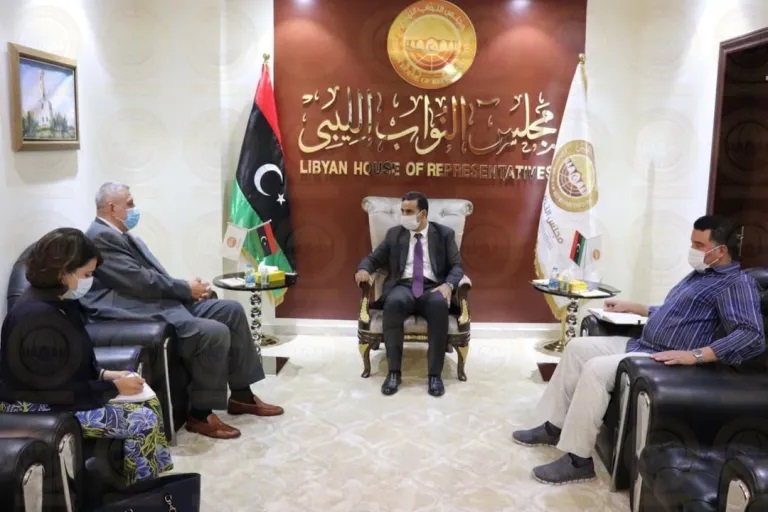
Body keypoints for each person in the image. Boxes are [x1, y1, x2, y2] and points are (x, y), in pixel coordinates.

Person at [512, 215, 765, 485]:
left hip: (663, 358)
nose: (692, 250)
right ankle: (554, 426)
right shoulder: (700, 276)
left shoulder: (736, 284)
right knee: (576, 348)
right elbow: (679, 315)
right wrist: (639, 308)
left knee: (596, 369)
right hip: (643, 344)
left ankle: (578, 461)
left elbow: (751, 335)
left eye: (699, 245)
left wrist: (696, 355)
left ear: (721, 250)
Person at [80, 182, 283, 440]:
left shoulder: (121, 234)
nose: (134, 209)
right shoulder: (100, 237)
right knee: (214, 332)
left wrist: (189, 288)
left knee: (230, 310)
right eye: (129, 204)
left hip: (155, 301)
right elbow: (138, 282)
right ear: (111, 208)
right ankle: (200, 414)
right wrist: (186, 289)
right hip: (134, 310)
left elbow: (149, 276)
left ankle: (242, 395)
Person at [0, 228, 173, 484]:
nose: (89, 282)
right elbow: (54, 390)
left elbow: (71, 362)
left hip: (59, 394)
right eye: (86, 275)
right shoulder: (36, 317)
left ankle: (148, 483)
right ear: (63, 271)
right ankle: (142, 491)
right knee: (142, 419)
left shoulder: (61, 302)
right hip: (34, 404)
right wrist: (113, 388)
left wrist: (105, 374)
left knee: (150, 403)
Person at [355, 191, 464, 397]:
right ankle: (393, 373)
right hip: (403, 286)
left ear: (423, 214)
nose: (403, 216)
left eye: (408, 212)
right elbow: (374, 258)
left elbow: (457, 266)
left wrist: (449, 285)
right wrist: (363, 269)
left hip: (433, 287)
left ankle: (435, 375)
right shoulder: (395, 234)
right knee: (393, 303)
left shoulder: (444, 234)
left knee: (439, 304)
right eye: (402, 211)